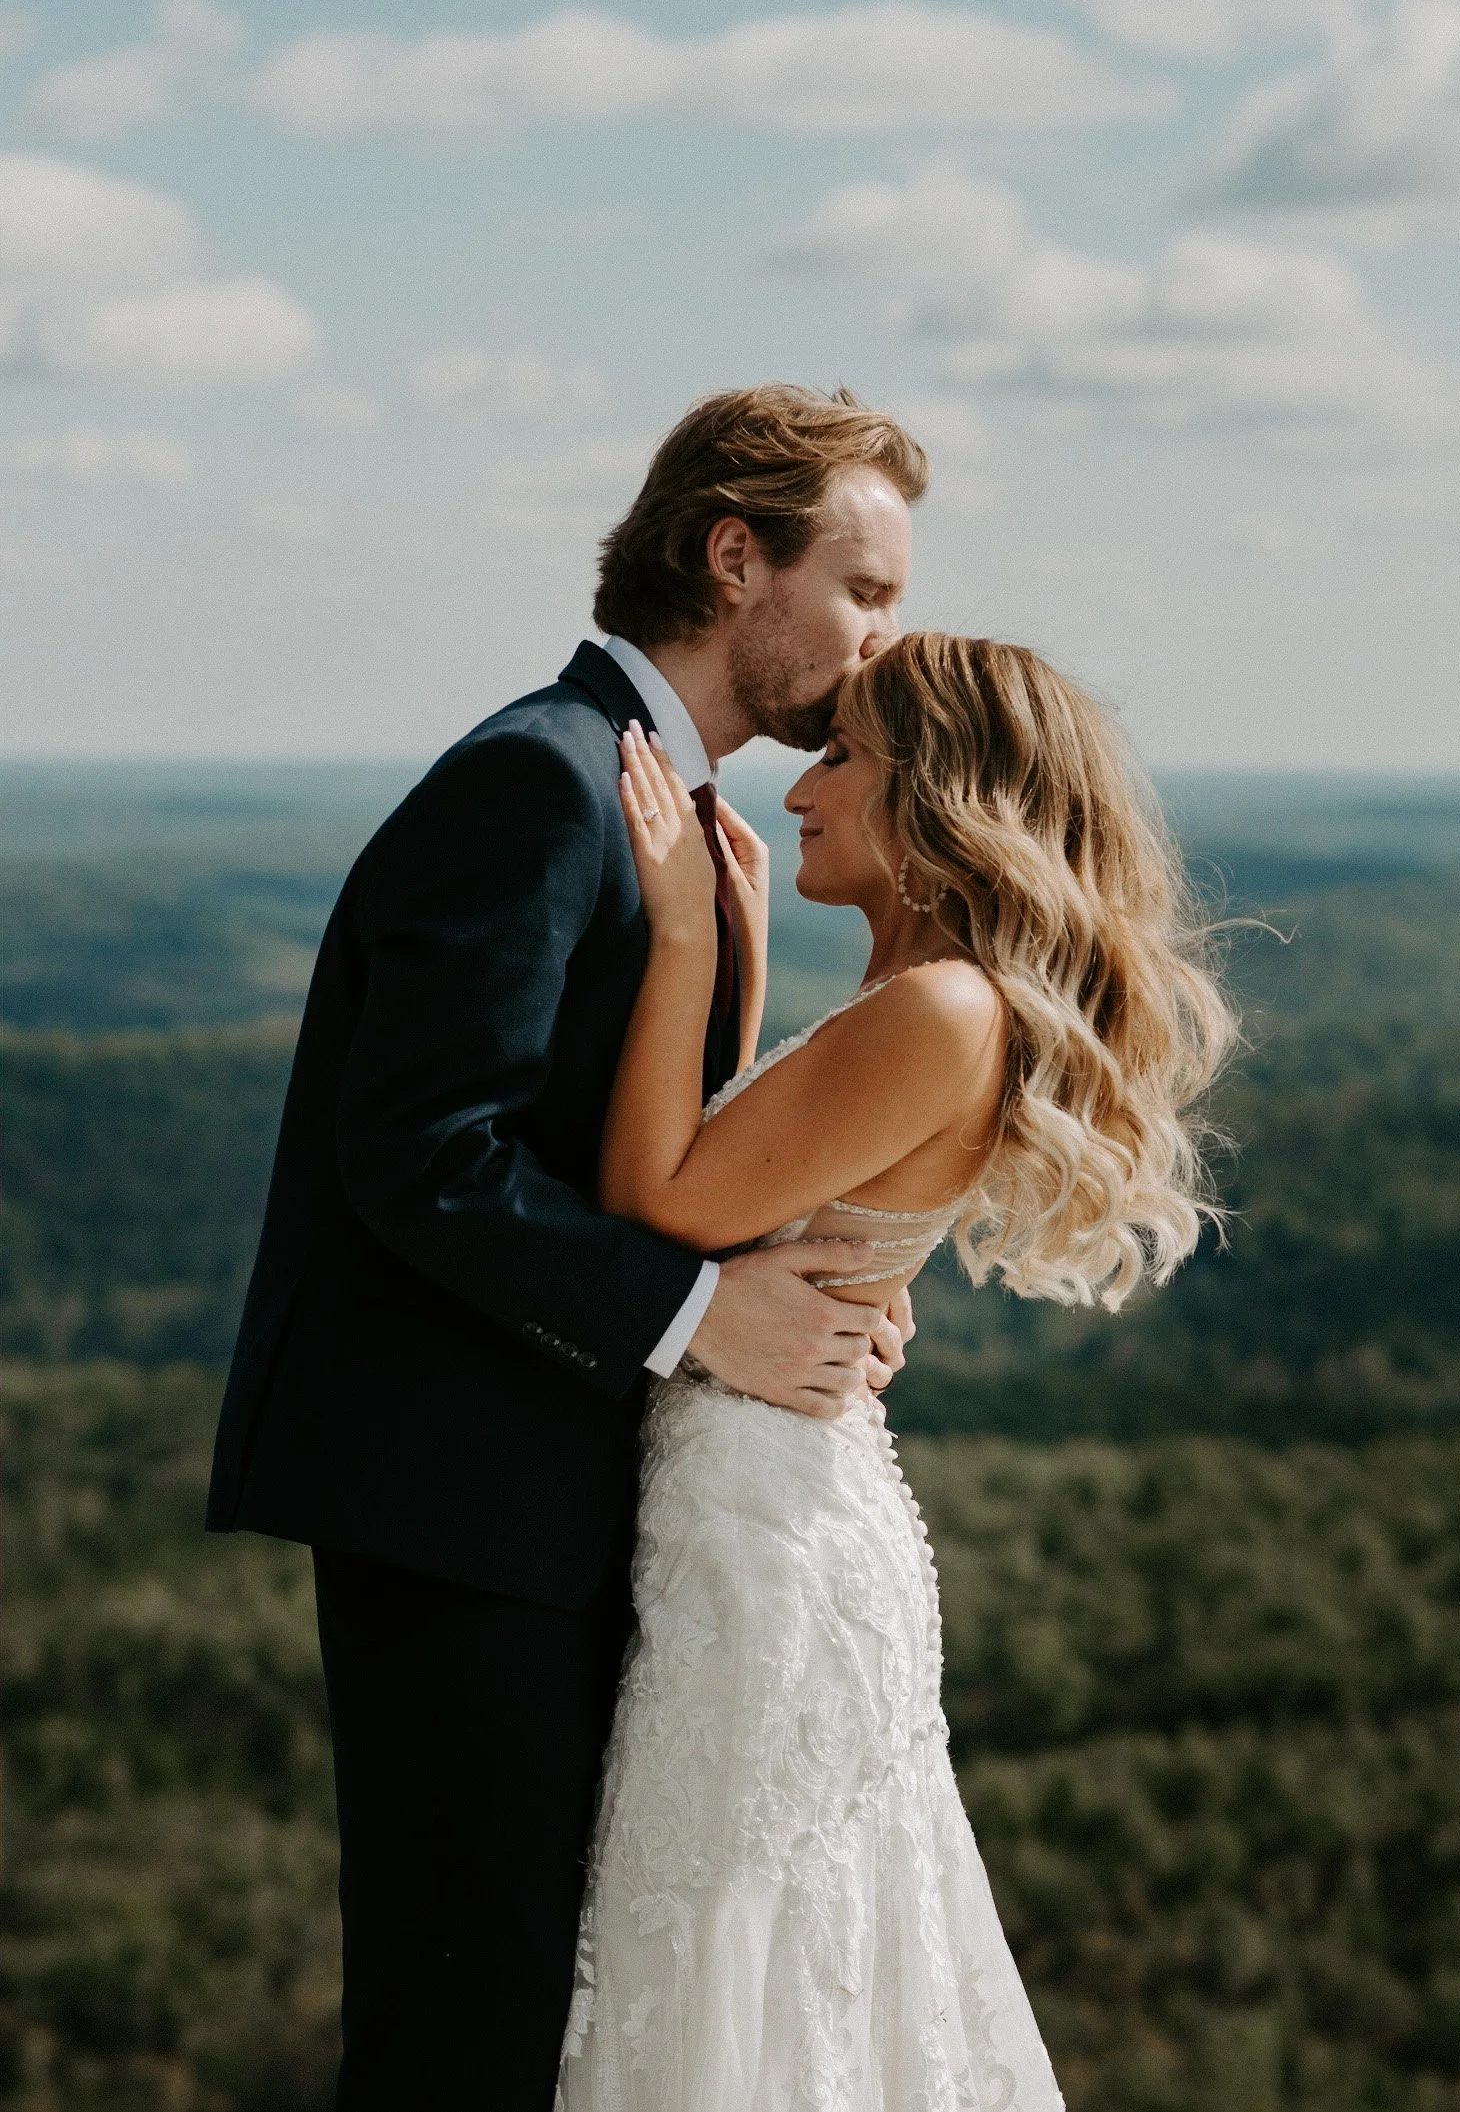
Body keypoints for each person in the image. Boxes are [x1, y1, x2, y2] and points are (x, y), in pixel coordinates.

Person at [204, 386, 930, 2110]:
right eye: (863, 587)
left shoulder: (681, 814)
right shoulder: (539, 780)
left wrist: (818, 1291)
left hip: (577, 1489)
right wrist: (699, 1318)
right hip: (456, 1497)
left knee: (557, 2011)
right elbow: (422, 1155)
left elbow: (657, 1164)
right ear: (733, 556)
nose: (883, 638)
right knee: (466, 2016)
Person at [556, 632, 1236, 2110]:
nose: (800, 789)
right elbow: (754, 1169)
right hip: (760, 1508)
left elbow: (657, 1204)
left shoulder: (942, 1011)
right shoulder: (924, 996)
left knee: (736, 1962)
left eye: (843, 754)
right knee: (751, 1965)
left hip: (766, 1541)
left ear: (941, 795)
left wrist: (682, 940)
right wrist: (735, 959)